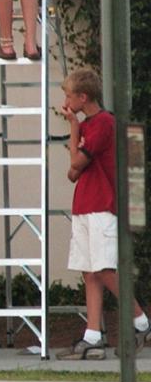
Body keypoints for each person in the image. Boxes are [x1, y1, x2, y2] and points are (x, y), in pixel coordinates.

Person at [55, 69, 149, 359]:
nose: (66, 101)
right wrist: (76, 145)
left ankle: (141, 321)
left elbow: (75, 160)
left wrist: (73, 125)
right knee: (90, 271)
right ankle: (92, 335)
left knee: (105, 269)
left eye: (69, 95)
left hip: (102, 206)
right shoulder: (87, 126)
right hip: (84, 204)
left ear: (83, 97)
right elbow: (73, 172)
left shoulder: (102, 124)